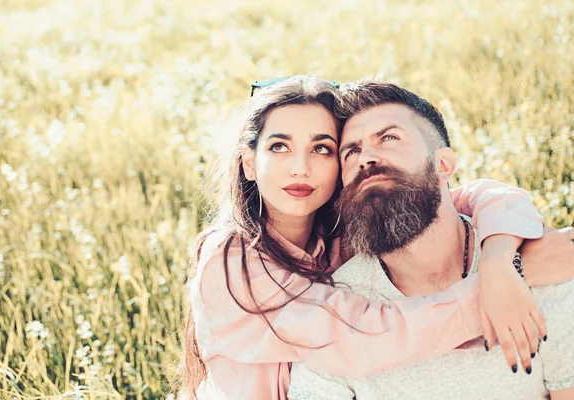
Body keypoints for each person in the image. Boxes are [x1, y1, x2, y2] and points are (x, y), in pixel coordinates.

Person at [177, 75, 570, 400]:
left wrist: (502, 257)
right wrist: (496, 289)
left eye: (322, 148)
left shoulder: (339, 229)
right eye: (279, 146)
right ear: (248, 162)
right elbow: (359, 340)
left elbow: (468, 197)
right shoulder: (229, 262)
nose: (300, 167)